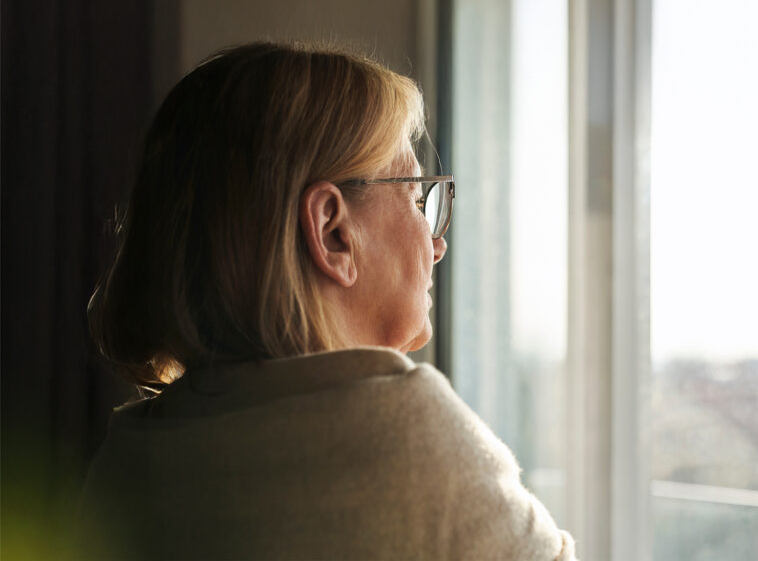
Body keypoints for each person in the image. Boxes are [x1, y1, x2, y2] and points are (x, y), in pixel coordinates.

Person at [79, 42, 576, 560]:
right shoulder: (412, 437)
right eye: (415, 198)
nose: (438, 244)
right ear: (332, 232)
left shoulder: (125, 460)